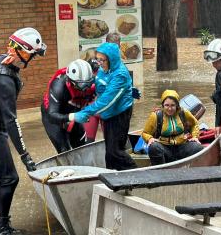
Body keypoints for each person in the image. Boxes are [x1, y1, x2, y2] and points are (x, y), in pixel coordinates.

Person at [0, 27, 46, 235]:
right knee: (9, 178)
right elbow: (12, 122)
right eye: (32, 54)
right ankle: (2, 229)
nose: (32, 58)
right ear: (21, 50)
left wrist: (12, 62)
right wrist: (26, 157)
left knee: (0, 177)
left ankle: (0, 226)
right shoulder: (4, 81)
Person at [68, 42, 137, 170]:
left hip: (119, 113)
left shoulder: (119, 75)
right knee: (109, 151)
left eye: (102, 60)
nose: (99, 63)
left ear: (111, 59)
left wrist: (85, 112)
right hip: (108, 113)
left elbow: (107, 101)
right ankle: (113, 176)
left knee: (115, 151)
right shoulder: (104, 68)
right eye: (97, 59)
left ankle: (138, 174)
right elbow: (98, 84)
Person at [41, 59, 96, 153]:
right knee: (64, 151)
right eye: (80, 85)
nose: (84, 89)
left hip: (74, 111)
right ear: (70, 80)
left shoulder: (93, 83)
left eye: (87, 85)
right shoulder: (59, 86)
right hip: (55, 114)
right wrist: (73, 117)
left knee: (82, 147)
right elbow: (52, 115)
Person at [141, 90, 203, 165]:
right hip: (164, 147)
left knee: (198, 147)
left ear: (177, 105)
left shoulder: (184, 112)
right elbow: (145, 133)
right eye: (167, 105)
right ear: (163, 105)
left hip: (181, 146)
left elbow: (194, 124)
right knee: (153, 147)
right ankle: (160, 170)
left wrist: (195, 136)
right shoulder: (155, 116)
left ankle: (190, 170)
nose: (169, 109)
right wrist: (150, 138)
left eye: (172, 105)